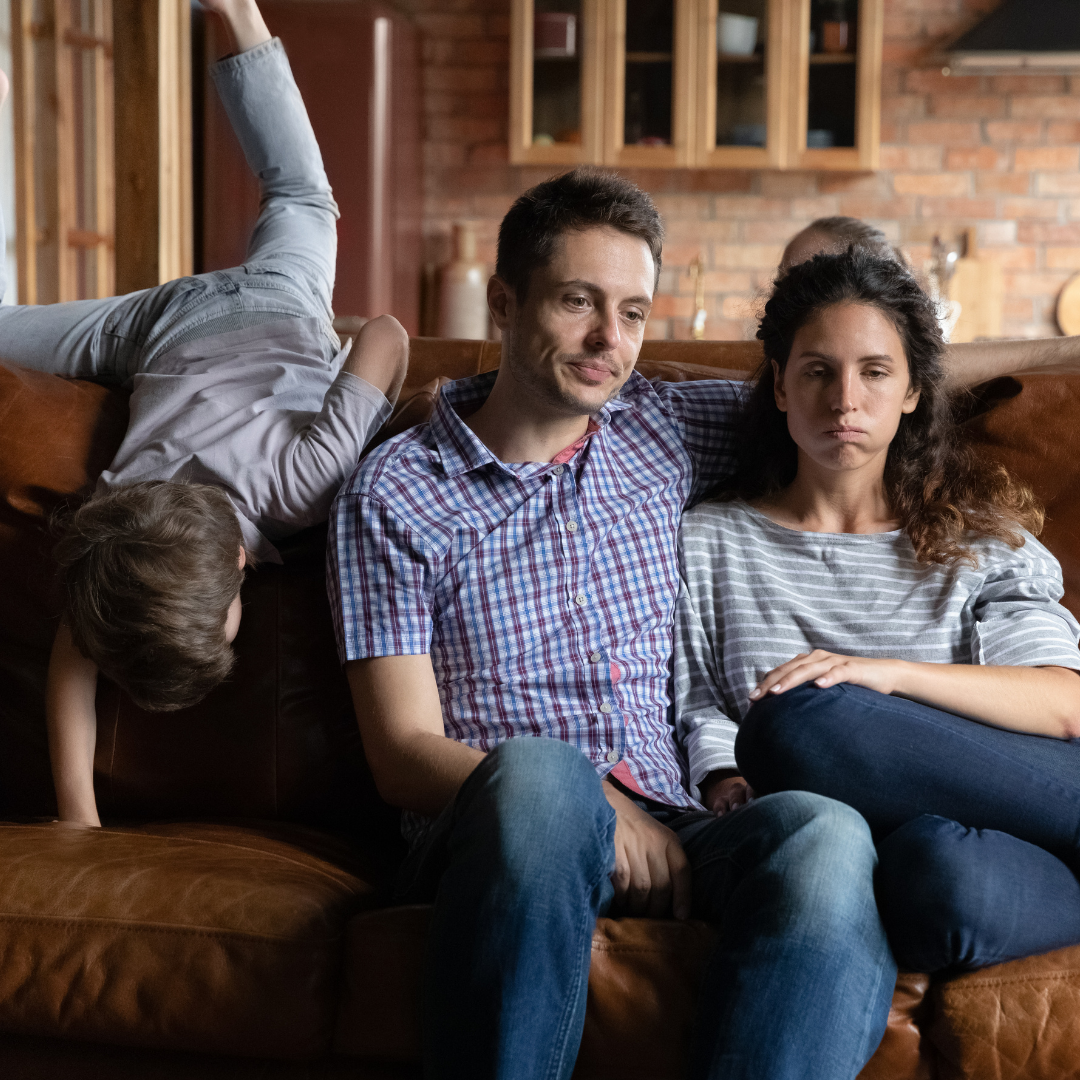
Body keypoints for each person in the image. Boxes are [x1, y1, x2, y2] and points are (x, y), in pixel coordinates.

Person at [327, 164, 1080, 1080]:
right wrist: (596, 800)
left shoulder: (660, 427)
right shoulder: (398, 491)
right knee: (539, 778)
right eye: (578, 302)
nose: (610, 339)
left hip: (678, 818)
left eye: (635, 313)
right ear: (505, 302)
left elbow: (842, 395)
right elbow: (401, 750)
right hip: (504, 822)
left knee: (824, 833)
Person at [0, 0, 407, 828]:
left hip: (242, 307)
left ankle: (236, 10)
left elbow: (391, 336)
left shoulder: (301, 484)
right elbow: (79, 651)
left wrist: (351, 371)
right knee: (299, 191)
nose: (234, 633)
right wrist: (75, 814)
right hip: (161, 329)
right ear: (237, 565)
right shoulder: (120, 529)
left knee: (305, 194)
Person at [675, 245, 1080, 975]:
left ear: (915, 392)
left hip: (1027, 803)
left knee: (801, 717)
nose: (844, 400)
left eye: (874, 372)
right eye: (818, 371)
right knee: (934, 881)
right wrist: (718, 779)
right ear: (779, 388)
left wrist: (885, 676)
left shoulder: (979, 539)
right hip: (919, 853)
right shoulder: (710, 539)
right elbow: (701, 701)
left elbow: (1064, 706)